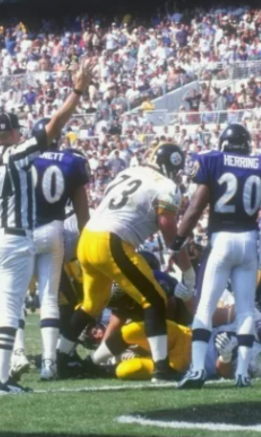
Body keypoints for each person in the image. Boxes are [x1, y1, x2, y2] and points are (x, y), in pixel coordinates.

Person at [0, 58, 92, 396]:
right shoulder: (17, 154)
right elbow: (55, 125)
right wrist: (77, 91)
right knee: (8, 310)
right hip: (14, 240)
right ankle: (0, 380)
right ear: (13, 134)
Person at [59, 143, 194, 384]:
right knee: (154, 298)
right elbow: (168, 228)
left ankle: (60, 359)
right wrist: (187, 269)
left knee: (92, 304)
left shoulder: (127, 173)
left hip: (87, 237)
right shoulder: (166, 186)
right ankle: (162, 369)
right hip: (112, 240)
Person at [177, 124, 261, 389]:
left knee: (205, 306)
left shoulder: (214, 161)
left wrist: (177, 239)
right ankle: (242, 373)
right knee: (245, 311)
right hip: (250, 241)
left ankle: (197, 370)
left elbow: (196, 207)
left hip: (222, 239)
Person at [27, 140, 92, 381]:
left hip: (32, 235)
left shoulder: (29, 161)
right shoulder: (71, 165)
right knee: (63, 301)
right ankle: (58, 357)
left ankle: (23, 354)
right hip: (61, 244)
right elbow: (84, 222)